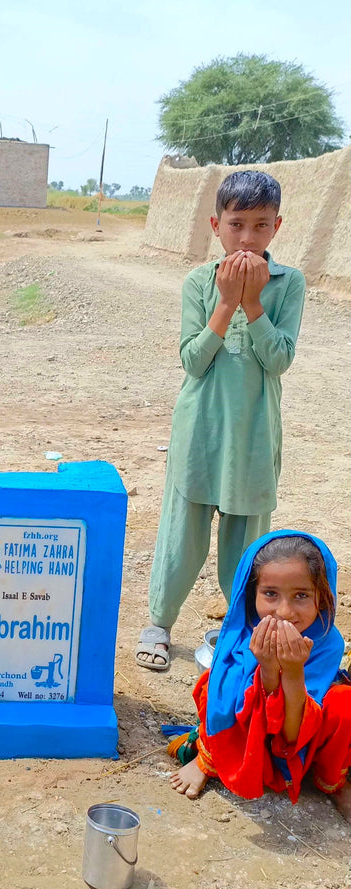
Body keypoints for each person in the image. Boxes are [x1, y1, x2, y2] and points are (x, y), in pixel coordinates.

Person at [137, 170, 305, 671]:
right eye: (237, 224)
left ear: (277, 226)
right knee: (181, 535)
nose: (247, 238)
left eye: (260, 225)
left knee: (247, 544)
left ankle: (237, 630)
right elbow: (192, 360)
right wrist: (226, 302)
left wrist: (253, 303)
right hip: (200, 433)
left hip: (253, 437)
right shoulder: (198, 281)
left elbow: (279, 360)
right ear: (217, 225)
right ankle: (159, 624)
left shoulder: (288, 284)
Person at [168, 531, 351, 820]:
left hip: (299, 738)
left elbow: (293, 733)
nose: (284, 611)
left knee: (345, 704)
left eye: (301, 595)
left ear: (323, 596)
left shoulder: (326, 642)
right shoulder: (240, 635)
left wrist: (291, 673)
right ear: (251, 592)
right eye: (270, 594)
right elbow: (231, 707)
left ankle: (332, 781)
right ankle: (210, 758)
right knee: (216, 685)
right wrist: (266, 669)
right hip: (250, 736)